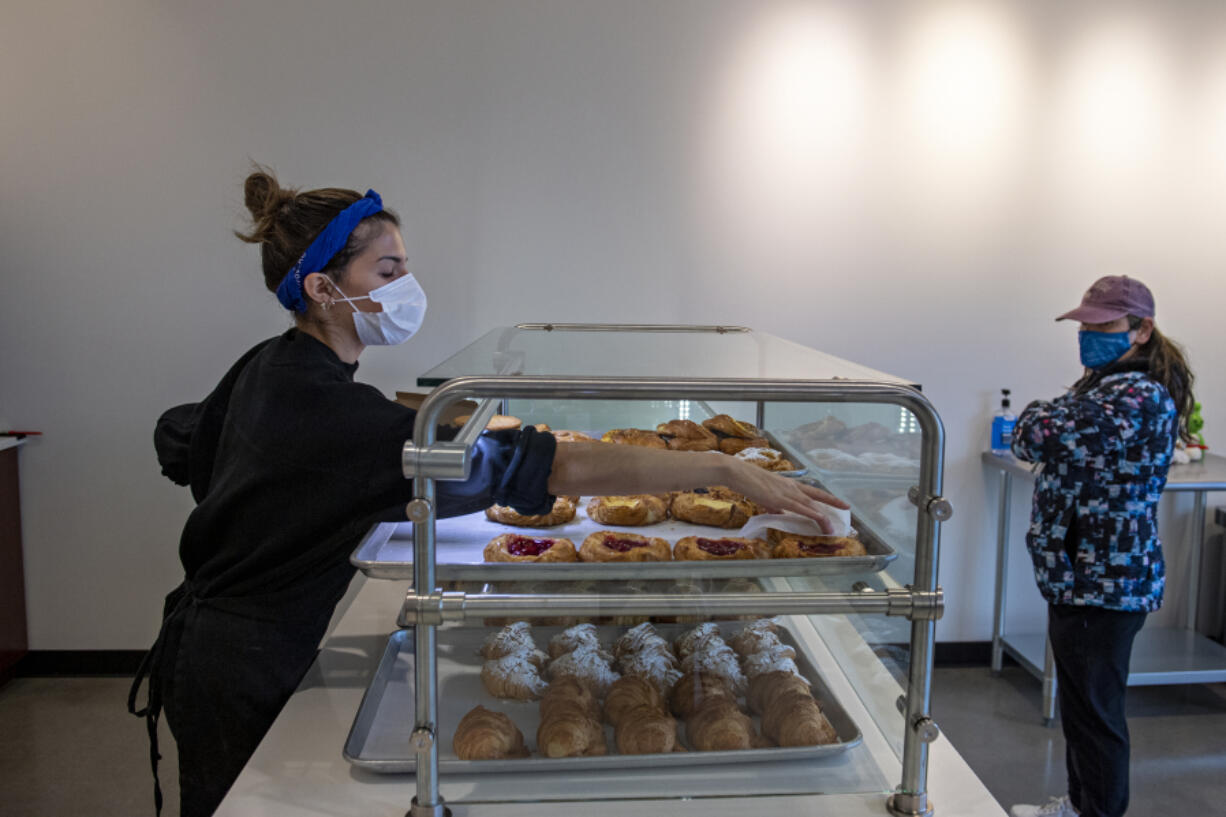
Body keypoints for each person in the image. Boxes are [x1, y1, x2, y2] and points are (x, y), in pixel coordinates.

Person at [127, 166, 847, 817]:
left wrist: (434, 420)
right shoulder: (326, 408)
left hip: (221, 640)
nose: (407, 285)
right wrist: (720, 470)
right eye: (389, 269)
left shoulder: (277, 368)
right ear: (323, 287)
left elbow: (180, 436)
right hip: (240, 665)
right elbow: (548, 469)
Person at [1008, 275, 1195, 817]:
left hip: (1103, 579)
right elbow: (1049, 431)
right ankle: (1079, 805)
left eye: (1103, 325)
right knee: (1083, 709)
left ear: (1142, 329)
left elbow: (1033, 435)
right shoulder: (1107, 385)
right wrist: (1049, 416)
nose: (1089, 334)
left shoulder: (1135, 393)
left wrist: (1040, 413)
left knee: (1096, 715)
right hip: (1083, 575)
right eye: (1085, 324)